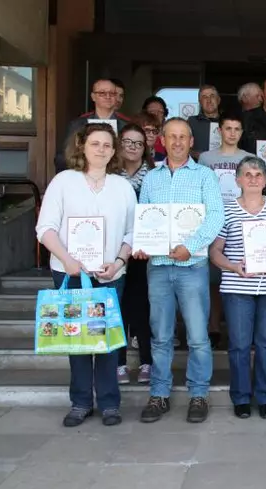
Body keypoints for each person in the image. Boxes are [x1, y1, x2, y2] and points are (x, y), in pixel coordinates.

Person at [36, 122, 137, 427]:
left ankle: (109, 404)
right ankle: (80, 402)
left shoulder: (122, 186)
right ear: (82, 146)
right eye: (95, 144)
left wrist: (119, 262)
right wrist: (67, 260)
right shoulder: (64, 182)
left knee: (106, 341)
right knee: (78, 339)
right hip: (70, 273)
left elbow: (133, 231)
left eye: (107, 145)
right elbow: (46, 228)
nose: (101, 150)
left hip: (109, 275)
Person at [136, 117, 224, 424]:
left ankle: (198, 394)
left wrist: (192, 244)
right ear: (162, 139)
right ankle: (159, 394)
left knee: (198, 336)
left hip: (192, 265)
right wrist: (142, 242)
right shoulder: (151, 178)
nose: (176, 142)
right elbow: (143, 217)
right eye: (171, 136)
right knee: (160, 335)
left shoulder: (204, 176)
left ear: (190, 142)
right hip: (158, 266)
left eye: (182, 137)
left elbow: (215, 217)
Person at [209, 156, 266, 420]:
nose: (253, 179)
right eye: (248, 174)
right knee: (240, 344)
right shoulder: (225, 209)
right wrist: (232, 266)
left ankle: (265, 397)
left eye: (258, 174)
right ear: (238, 180)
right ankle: (241, 397)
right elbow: (215, 252)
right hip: (237, 286)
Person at [198, 114, 252, 347]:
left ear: (241, 132)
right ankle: (213, 326)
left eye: (236, 128)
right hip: (213, 220)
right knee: (214, 278)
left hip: (240, 221)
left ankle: (238, 328)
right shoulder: (206, 158)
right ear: (219, 131)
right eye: (228, 128)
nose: (232, 132)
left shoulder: (249, 158)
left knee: (239, 273)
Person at [116, 123, 155, 385]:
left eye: (138, 143)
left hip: (142, 252)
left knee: (141, 307)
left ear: (146, 148)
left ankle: (146, 362)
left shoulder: (154, 176)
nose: (132, 147)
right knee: (116, 307)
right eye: (128, 142)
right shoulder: (108, 176)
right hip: (113, 251)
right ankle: (117, 364)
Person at [54, 79, 129, 172]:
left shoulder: (126, 126)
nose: (108, 96)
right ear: (93, 96)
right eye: (102, 93)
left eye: (112, 93)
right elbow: (63, 157)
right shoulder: (78, 125)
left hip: (117, 175)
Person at [187, 84, 221, 160]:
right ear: (200, 102)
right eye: (204, 97)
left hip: (223, 168)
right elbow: (182, 147)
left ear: (218, 100)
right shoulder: (191, 122)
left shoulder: (227, 122)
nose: (209, 100)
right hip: (198, 167)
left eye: (212, 96)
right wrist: (195, 154)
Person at [140, 96, 169, 161]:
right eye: (152, 111)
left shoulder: (170, 136)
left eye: (160, 112)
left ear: (164, 115)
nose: (156, 114)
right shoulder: (138, 133)